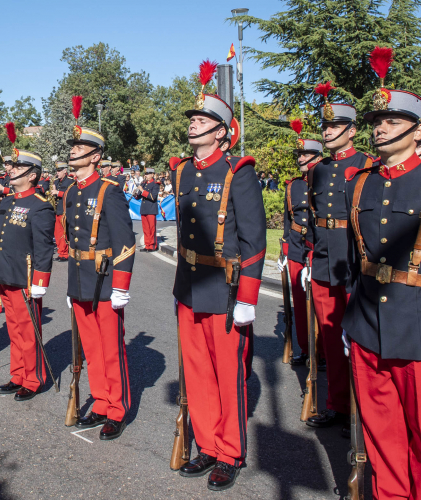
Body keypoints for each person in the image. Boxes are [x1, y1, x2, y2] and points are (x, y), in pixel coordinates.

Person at [343, 61, 421, 498]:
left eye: (392, 121)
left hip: (419, 329)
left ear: (418, 131)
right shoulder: (359, 184)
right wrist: (349, 320)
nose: (380, 129)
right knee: (381, 434)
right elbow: (353, 259)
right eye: (377, 121)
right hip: (366, 325)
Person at [170, 66, 266, 490]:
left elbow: (255, 240)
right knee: (197, 373)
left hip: (224, 289)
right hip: (189, 286)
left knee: (228, 376)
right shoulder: (182, 171)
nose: (193, 124)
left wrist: (248, 296)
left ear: (222, 132)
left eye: (202, 120)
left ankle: (229, 453)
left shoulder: (237, 172)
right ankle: (207, 444)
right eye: (193, 119)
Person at [304, 81, 370, 435]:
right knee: (330, 338)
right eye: (325, 126)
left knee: (357, 338)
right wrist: (311, 255)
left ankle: (362, 410)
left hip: (352, 261)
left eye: (335, 126)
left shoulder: (367, 165)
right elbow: (314, 216)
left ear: (352, 130)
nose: (327, 132)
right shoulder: (318, 170)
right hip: (324, 259)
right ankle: (338, 404)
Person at [63, 121, 136, 441]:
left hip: (105, 280)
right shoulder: (71, 191)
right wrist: (71, 285)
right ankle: (101, 402)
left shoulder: (109, 190)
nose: (73, 152)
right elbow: (72, 241)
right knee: (91, 348)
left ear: (95, 156)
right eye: (72, 147)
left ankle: (116, 409)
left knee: (110, 349)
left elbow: (125, 241)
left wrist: (121, 286)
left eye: (79, 148)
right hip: (80, 280)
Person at [0, 149, 55, 401]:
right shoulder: (8, 202)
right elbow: (1, 242)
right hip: (6, 274)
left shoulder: (40, 206)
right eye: (13, 166)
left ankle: (33, 379)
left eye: (18, 167)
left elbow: (44, 248)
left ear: (32, 175)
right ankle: (17, 374)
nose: (11, 170)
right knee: (14, 331)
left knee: (29, 333)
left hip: (26, 279)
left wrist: (40, 282)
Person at [277, 121, 321, 366]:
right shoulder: (294, 185)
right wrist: (284, 251)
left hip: (316, 248)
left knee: (319, 303)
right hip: (295, 246)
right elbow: (288, 219)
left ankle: (322, 351)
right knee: (300, 299)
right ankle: (306, 347)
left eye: (305, 154)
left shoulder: (324, 181)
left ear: (318, 156)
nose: (301, 158)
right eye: (300, 154)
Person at [49, 161, 74, 261]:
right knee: (57, 233)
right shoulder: (56, 181)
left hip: (64, 210)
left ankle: (65, 254)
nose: (57, 173)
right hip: (56, 210)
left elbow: (71, 195)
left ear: (65, 171)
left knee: (64, 233)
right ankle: (60, 252)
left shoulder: (70, 181)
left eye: (59, 170)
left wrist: (57, 192)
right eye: (57, 171)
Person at [135, 168, 161, 251]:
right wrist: (136, 193)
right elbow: (138, 197)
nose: (146, 175)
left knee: (151, 229)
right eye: (145, 174)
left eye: (148, 174)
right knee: (146, 229)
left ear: (152, 174)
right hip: (144, 208)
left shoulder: (155, 184)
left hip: (151, 209)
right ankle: (147, 245)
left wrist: (142, 191)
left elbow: (153, 197)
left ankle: (152, 246)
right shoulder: (144, 183)